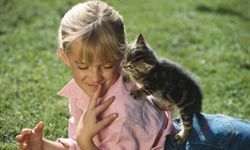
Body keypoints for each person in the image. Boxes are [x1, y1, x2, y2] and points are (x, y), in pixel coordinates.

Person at [16, 0, 250, 150]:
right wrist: (44, 146)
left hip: (211, 144)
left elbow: (87, 142)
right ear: (65, 58)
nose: (95, 76)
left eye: (106, 66)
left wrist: (86, 141)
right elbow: (84, 141)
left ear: (121, 56)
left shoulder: (121, 111)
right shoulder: (86, 91)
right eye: (83, 66)